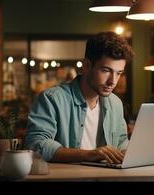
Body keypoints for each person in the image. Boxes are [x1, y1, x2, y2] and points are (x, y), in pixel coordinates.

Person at [25, 32, 134, 164]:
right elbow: (36, 145)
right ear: (87, 65)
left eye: (118, 73)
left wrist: (127, 153)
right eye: (106, 70)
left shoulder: (115, 103)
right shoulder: (51, 99)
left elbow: (121, 142)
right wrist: (87, 155)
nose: (113, 81)